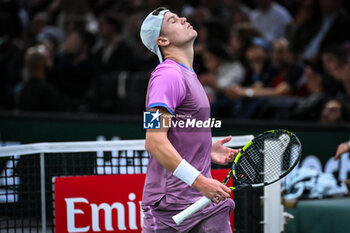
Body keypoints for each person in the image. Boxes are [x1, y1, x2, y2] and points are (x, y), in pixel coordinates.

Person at [140, 7, 239, 232]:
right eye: (173, 21)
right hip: (171, 206)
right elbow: (154, 141)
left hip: (205, 204)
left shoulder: (188, 75)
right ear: (162, 40)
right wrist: (201, 182)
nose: (184, 19)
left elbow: (180, 131)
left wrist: (205, 149)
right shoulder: (167, 76)